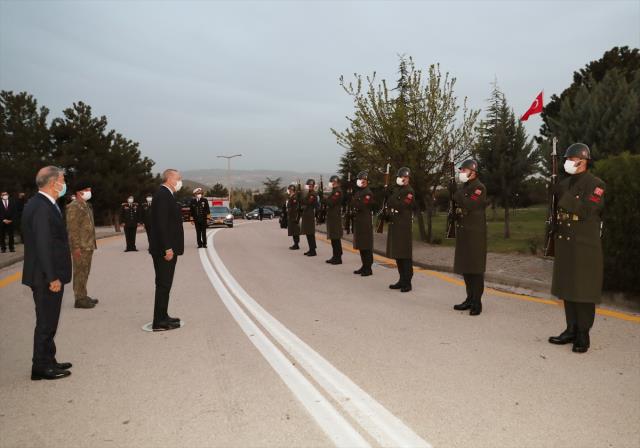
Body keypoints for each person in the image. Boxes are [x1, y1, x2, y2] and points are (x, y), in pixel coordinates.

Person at [548, 143, 605, 353]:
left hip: (584, 245)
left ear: (583, 161)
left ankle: (583, 333)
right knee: (568, 287)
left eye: (571, 159)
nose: (568, 162)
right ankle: (571, 329)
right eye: (567, 159)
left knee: (584, 290)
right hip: (566, 242)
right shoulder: (564, 183)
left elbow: (587, 211)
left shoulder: (596, 184)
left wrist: (562, 196)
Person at [22, 166, 73, 380]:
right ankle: (40, 367)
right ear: (53, 183)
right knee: (46, 321)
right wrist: (52, 277)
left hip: (46, 273)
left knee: (50, 320)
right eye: (62, 180)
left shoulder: (43, 203)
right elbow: (43, 245)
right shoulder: (42, 207)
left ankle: (49, 358)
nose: (64, 184)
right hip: (45, 276)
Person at [149, 169, 184, 331]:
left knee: (165, 284)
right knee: (163, 284)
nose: (180, 181)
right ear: (169, 178)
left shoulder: (166, 194)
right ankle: (159, 322)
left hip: (166, 248)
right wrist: (167, 248)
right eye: (178, 178)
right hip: (165, 250)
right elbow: (161, 225)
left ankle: (163, 316)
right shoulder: (163, 195)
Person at [451, 159, 487, 316]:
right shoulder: (464, 187)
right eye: (461, 170)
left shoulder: (479, 188)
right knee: (466, 267)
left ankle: (477, 302)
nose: (461, 173)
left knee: (475, 268)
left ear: (473, 172)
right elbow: (459, 206)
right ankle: (469, 298)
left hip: (475, 233)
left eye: (464, 170)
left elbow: (469, 205)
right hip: (464, 231)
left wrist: (456, 193)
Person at [65, 180, 98, 309]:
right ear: (79, 192)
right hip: (81, 246)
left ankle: (83, 295)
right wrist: (76, 247)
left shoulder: (85, 205)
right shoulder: (74, 206)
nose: (89, 192)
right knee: (79, 272)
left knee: (85, 271)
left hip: (88, 245)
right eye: (87, 189)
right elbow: (72, 229)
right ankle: (79, 299)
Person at [387, 167, 415, 292]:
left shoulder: (409, 191)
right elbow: (390, 204)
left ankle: (407, 282)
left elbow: (401, 206)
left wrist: (391, 198)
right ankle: (401, 279)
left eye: (403, 177)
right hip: (396, 225)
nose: (400, 178)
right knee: (398, 254)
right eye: (399, 176)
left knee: (405, 255)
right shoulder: (398, 190)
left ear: (407, 178)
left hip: (403, 226)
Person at [351, 171, 374, 276]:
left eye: (364, 180)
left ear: (367, 182)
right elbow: (354, 204)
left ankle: (368, 268)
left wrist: (356, 202)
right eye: (360, 180)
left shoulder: (368, 193)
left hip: (365, 221)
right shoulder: (359, 192)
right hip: (359, 221)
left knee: (366, 246)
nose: (362, 182)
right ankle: (364, 266)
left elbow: (361, 206)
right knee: (361, 245)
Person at [324, 175, 344, 265]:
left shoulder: (337, 192)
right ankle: (335, 256)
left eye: (332, 181)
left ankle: (338, 257)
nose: (331, 183)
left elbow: (331, 202)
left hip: (335, 217)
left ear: (336, 182)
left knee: (336, 237)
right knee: (333, 238)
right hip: (332, 216)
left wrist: (324, 198)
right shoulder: (334, 191)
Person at [300, 179, 318, 256]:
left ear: (313, 186)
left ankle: (313, 250)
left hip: (310, 214)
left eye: (311, 185)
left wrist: (304, 200)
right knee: (308, 233)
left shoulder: (312, 194)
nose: (310, 186)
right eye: (309, 185)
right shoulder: (309, 193)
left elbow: (307, 202)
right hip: (307, 214)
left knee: (310, 233)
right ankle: (311, 249)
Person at [286, 184, 301, 250]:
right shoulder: (291, 196)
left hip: (294, 216)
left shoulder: (294, 197)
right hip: (291, 216)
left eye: (289, 189)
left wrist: (293, 215)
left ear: (291, 190)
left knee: (295, 230)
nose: (288, 190)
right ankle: (295, 244)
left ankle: (296, 244)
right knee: (293, 230)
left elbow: (294, 208)